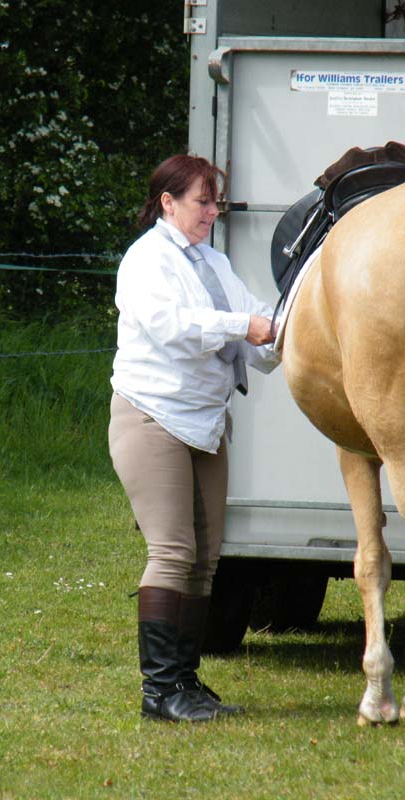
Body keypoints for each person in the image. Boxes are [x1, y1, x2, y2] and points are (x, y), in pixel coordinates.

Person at [108, 154, 281, 723]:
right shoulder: (145, 260)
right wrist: (242, 327)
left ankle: (185, 681)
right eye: (202, 201)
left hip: (205, 423)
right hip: (151, 418)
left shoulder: (214, 261)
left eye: (215, 202)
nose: (212, 211)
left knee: (206, 560)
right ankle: (158, 693)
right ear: (168, 202)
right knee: (173, 551)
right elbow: (171, 326)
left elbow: (257, 324)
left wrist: (293, 333)